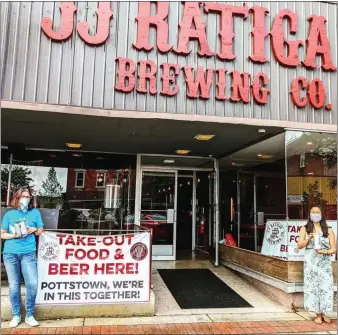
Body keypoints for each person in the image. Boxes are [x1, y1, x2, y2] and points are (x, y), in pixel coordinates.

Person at [1, 187, 44, 328]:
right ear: (17, 198)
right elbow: (2, 234)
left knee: (32, 284)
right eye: (23, 196)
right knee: (14, 286)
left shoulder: (35, 213)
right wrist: (14, 235)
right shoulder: (9, 214)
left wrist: (34, 229)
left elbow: (40, 231)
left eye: (28, 196)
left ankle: (30, 315)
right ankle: (16, 315)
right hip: (10, 253)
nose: (26, 198)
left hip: (28, 252)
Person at [298, 206, 336, 324]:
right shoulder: (305, 229)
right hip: (311, 263)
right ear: (309, 215)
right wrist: (309, 239)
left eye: (317, 212)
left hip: (324, 263)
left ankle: (325, 313)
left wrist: (324, 252)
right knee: (313, 287)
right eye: (313, 212)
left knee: (325, 287)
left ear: (322, 214)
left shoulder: (328, 230)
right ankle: (317, 314)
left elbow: (334, 249)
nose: (315, 214)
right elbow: (299, 245)